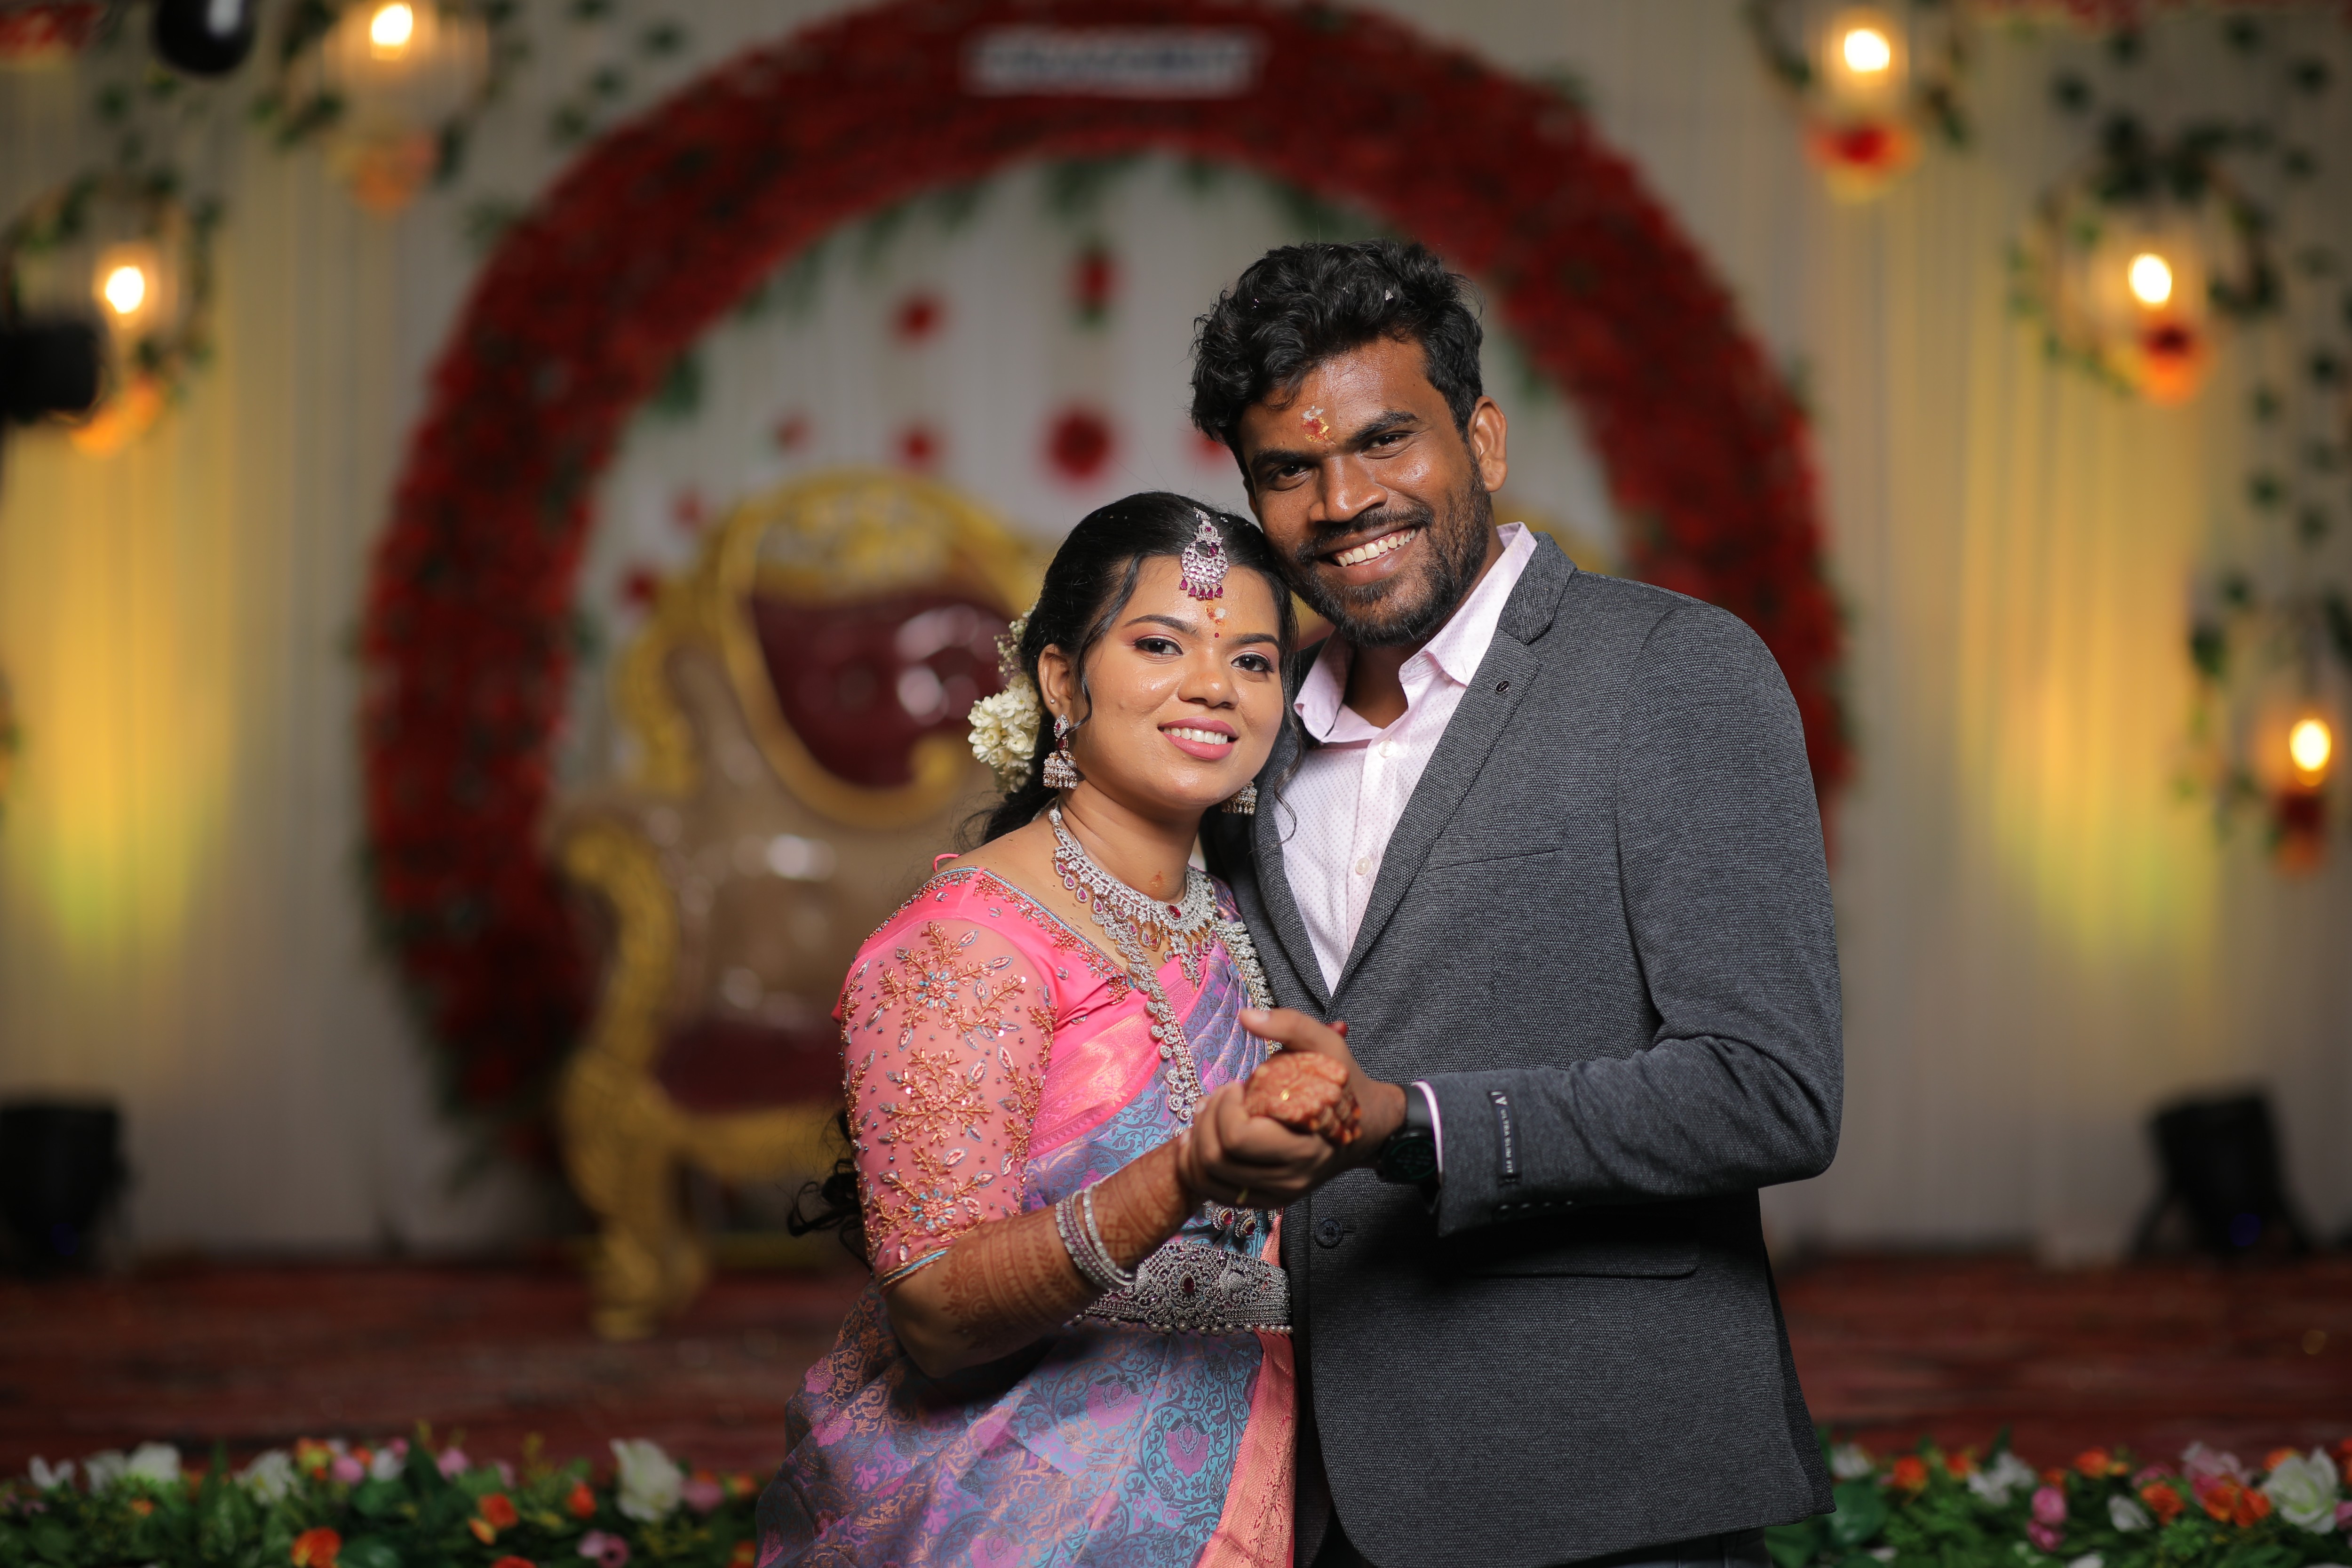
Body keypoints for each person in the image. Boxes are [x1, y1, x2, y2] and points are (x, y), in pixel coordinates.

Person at [1183, 240, 1845, 1568]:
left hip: (1607, 1478)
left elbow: (1770, 1088)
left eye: (1385, 440)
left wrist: (1412, 1122)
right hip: (1314, 1495)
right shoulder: (1250, 726)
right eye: (1290, 470)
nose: (1344, 500)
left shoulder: (1672, 673)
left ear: (1481, 438)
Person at [755, 492, 1362, 1568]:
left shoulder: (1244, 911)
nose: (1214, 685)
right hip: (1016, 1501)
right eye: (1160, 643)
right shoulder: (964, 944)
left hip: (1255, 1467)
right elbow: (935, 1311)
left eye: (1254, 660)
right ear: (1060, 680)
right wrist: (1183, 1174)